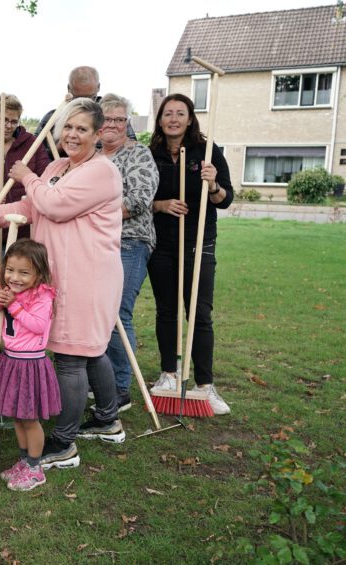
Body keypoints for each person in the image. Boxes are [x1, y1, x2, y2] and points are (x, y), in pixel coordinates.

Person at [0, 98, 125, 471]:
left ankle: (63, 444)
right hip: (62, 274)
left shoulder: (101, 172)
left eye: (82, 129)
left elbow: (56, 204)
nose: (72, 135)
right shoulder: (58, 166)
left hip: (88, 277)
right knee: (91, 350)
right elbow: (32, 208)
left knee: (71, 356)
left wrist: (25, 175)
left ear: (97, 136)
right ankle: (108, 420)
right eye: (67, 127)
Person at [147, 93, 233, 415]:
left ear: (189, 117)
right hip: (162, 243)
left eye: (179, 113)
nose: (173, 119)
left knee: (198, 312)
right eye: (167, 113)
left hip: (198, 241)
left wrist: (212, 185)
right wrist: (161, 204)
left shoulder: (208, 151)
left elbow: (226, 199)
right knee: (166, 310)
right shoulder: (151, 153)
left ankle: (205, 385)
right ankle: (169, 374)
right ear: (160, 119)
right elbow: (140, 196)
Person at [0, 239, 60, 492]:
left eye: (24, 272)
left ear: (39, 273)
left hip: (31, 364)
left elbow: (37, 325)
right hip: (12, 362)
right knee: (17, 415)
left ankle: (35, 468)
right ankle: (24, 460)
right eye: (10, 270)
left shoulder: (42, 296)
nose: (15, 277)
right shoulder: (6, 288)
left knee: (29, 418)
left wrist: (12, 306)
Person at [98, 94, 159, 412]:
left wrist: (92, 214)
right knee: (98, 315)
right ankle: (101, 384)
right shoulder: (92, 156)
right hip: (93, 245)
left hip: (129, 243)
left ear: (127, 123)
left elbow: (137, 200)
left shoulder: (139, 155)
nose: (112, 124)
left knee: (117, 315)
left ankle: (120, 388)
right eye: (106, 118)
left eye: (119, 119)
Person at [0, 94, 50, 284]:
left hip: (26, 233)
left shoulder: (32, 145)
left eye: (13, 121)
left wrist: (19, 193)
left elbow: (45, 181)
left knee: (24, 288)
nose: (8, 125)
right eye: (4, 119)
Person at [33, 66, 136, 158]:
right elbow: (34, 155)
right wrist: (58, 149)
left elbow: (132, 147)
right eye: (78, 98)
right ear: (69, 88)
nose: (83, 103)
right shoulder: (52, 118)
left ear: (98, 87)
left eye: (89, 98)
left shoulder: (114, 115)